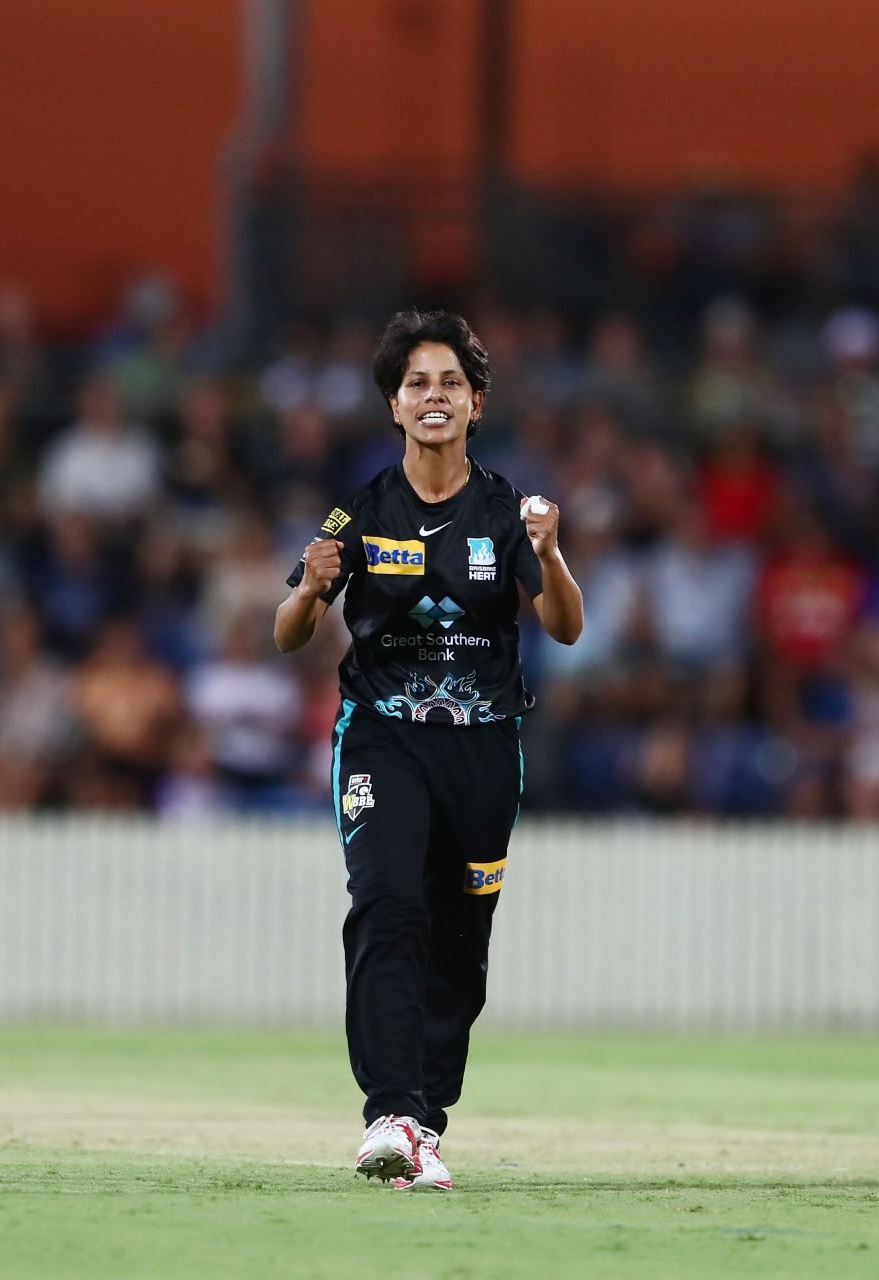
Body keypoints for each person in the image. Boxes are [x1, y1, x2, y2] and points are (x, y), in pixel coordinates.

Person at [275, 309, 583, 1190]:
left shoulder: (506, 507)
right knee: (386, 904)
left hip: (485, 748)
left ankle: (426, 1125)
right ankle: (390, 1113)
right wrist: (313, 589)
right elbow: (288, 629)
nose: (434, 396)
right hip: (382, 738)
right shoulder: (360, 509)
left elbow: (565, 628)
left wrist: (552, 557)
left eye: (451, 383)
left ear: (476, 404)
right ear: (394, 406)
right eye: (418, 384)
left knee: (460, 938)